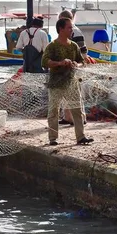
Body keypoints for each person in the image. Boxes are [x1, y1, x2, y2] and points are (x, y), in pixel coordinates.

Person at [42, 17, 94, 146]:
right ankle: (53, 138)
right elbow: (44, 62)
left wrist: (77, 64)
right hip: (56, 83)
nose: (72, 30)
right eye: (69, 27)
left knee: (77, 110)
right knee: (53, 111)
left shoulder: (74, 45)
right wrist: (60, 63)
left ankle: (81, 137)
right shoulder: (52, 46)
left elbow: (82, 62)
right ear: (61, 29)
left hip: (71, 82)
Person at [57, 10, 92, 126]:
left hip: (74, 67)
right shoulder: (67, 32)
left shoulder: (75, 32)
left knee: (75, 93)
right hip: (67, 66)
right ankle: (68, 117)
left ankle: (81, 118)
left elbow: (82, 52)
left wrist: (77, 64)